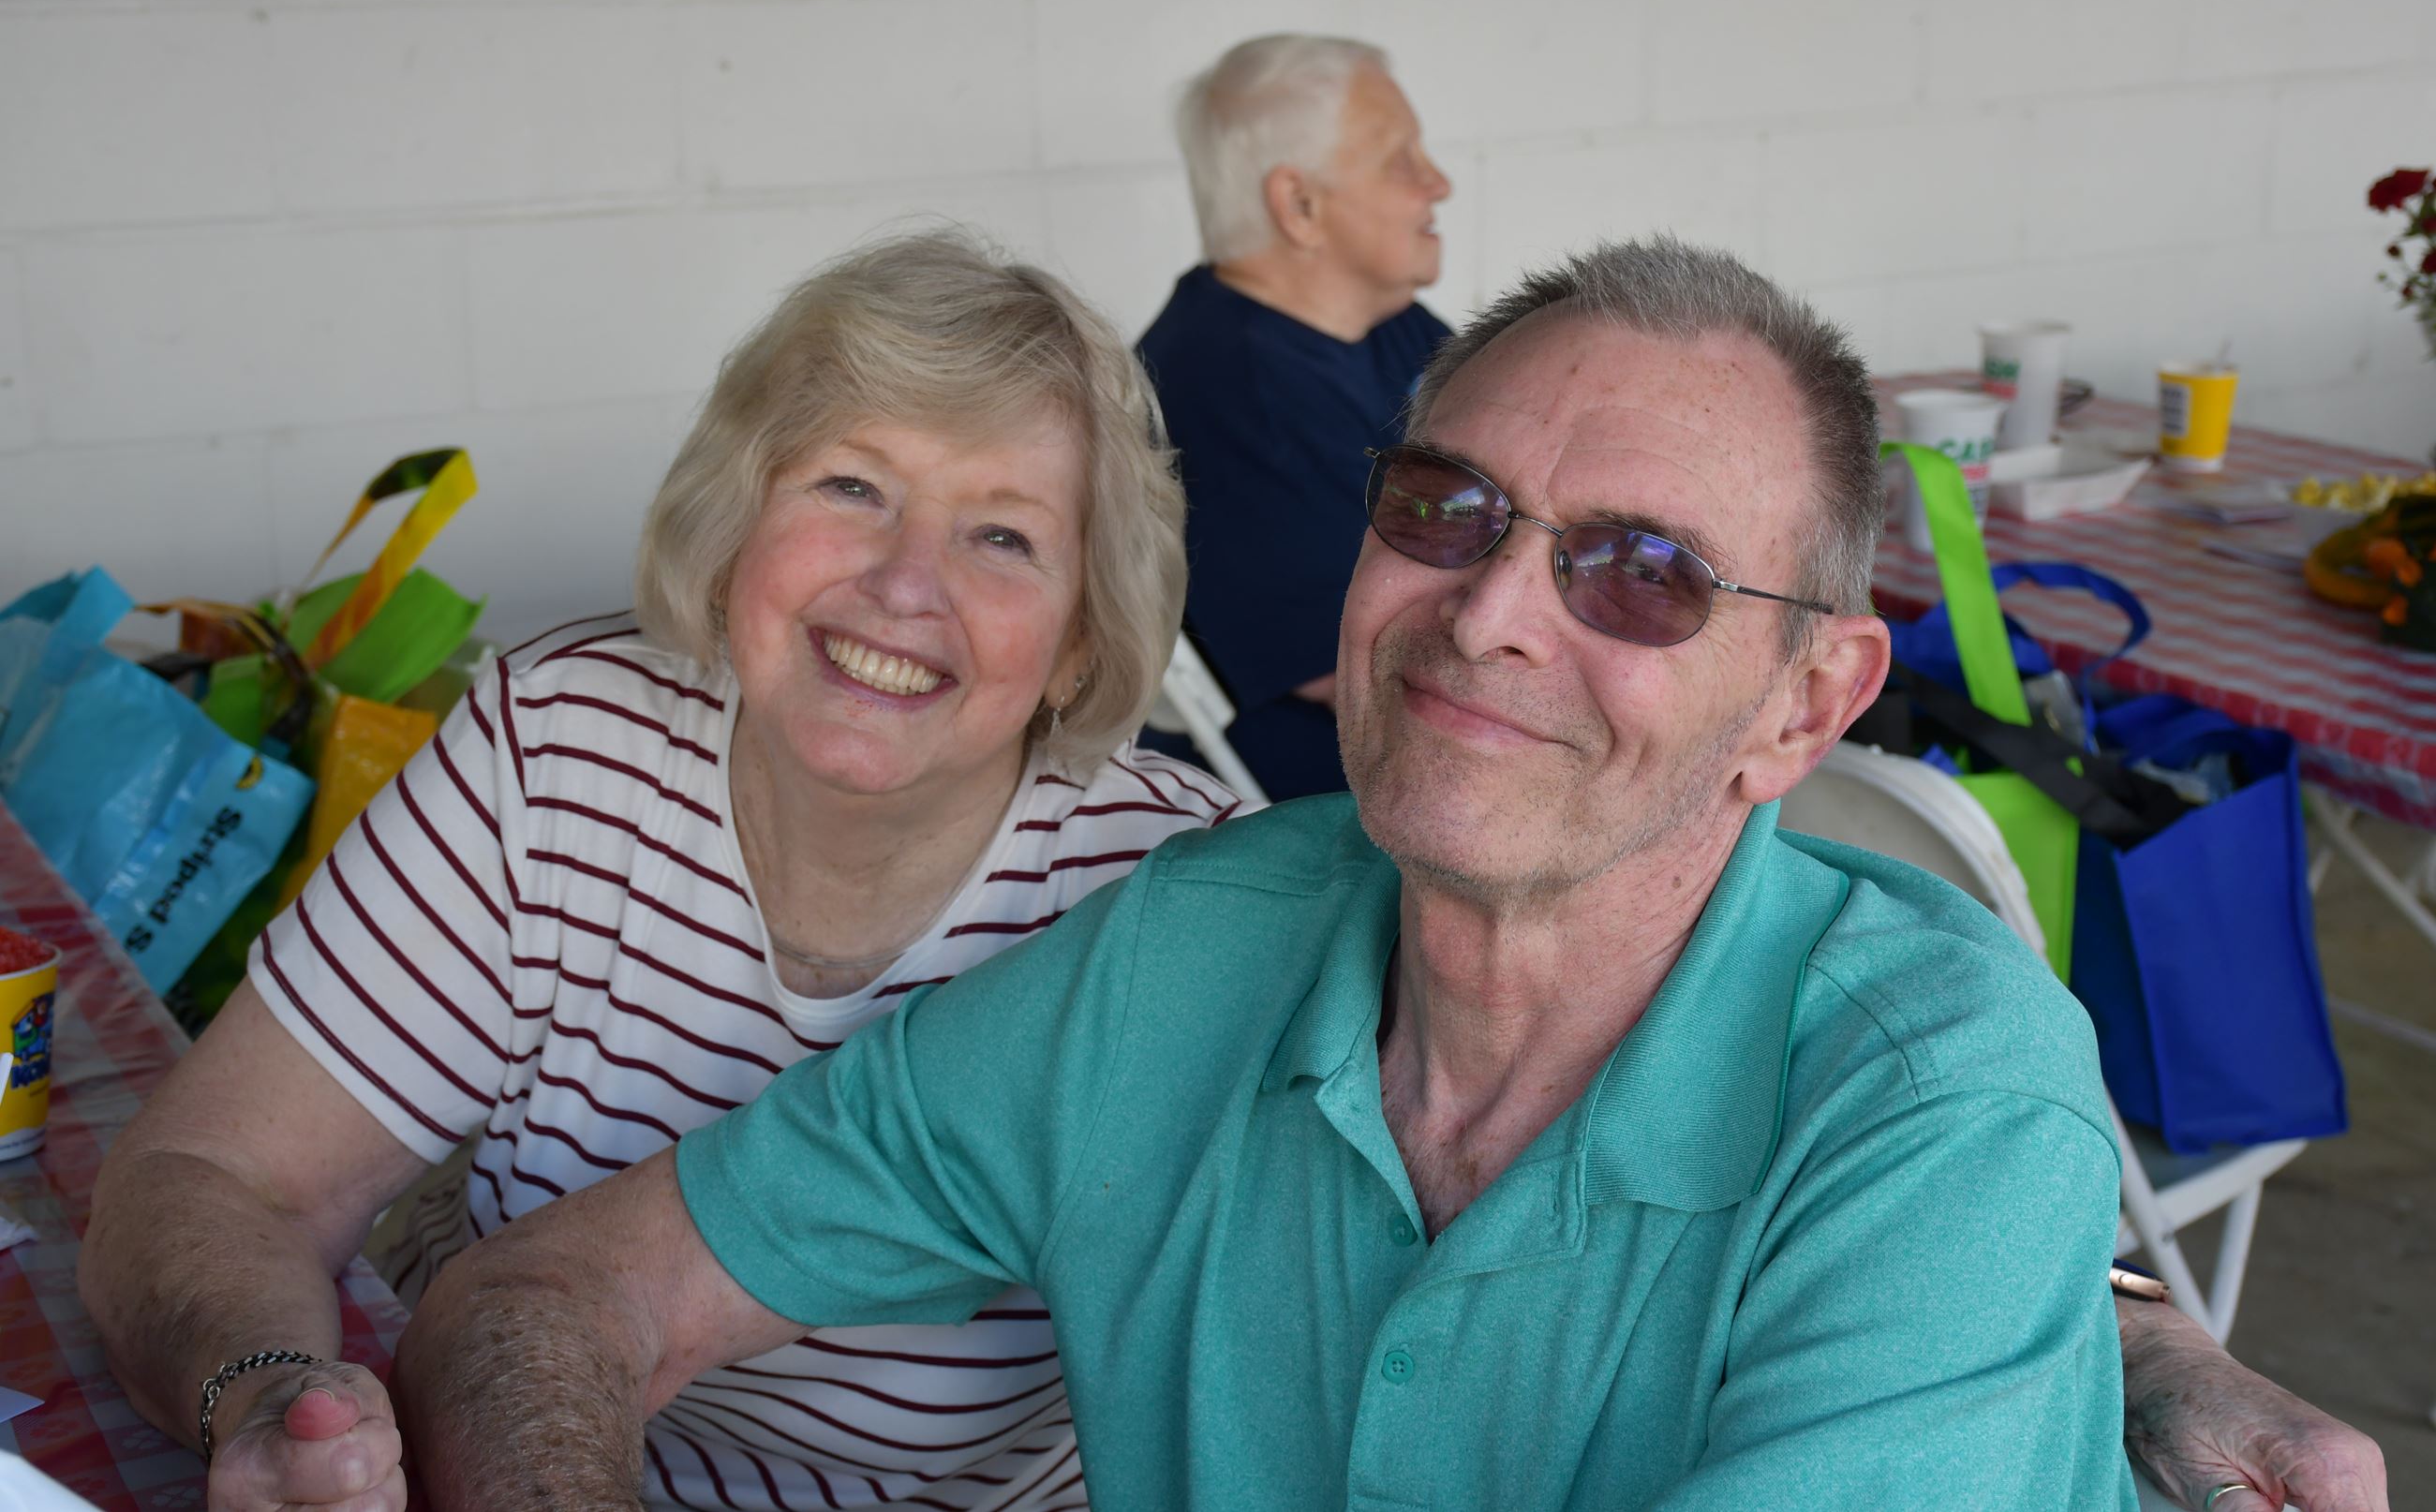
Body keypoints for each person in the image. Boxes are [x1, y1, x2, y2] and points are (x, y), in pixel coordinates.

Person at [394, 239, 2389, 1512]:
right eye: (1445, 508)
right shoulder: (1190, 943)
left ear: (1802, 702)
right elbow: (559, 1293)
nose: (1490, 613)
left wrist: (2103, 1308)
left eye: (1643, 569)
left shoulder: (1937, 1096)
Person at [77, 231, 1241, 1512]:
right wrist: (268, 1399)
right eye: (853, 486)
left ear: (1082, 640)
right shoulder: (562, 744)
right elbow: (221, 1175)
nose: (906, 584)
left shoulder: (1163, 895)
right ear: (737, 522)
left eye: (1004, 536)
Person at [1139, 34, 1451, 799]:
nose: (1436, 184)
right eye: (1399, 158)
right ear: (1299, 205)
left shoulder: (1385, 324)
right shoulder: (1230, 390)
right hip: (1340, 832)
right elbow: (1386, 666)